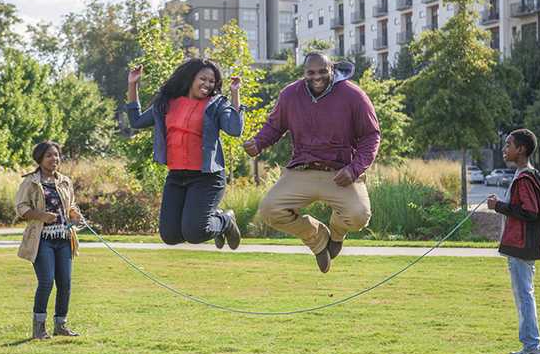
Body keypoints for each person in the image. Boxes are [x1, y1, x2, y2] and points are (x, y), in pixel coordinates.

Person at [243, 52, 380, 273]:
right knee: (269, 210)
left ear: (332, 69)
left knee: (358, 216)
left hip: (340, 173)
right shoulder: (290, 94)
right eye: (311, 72)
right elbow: (275, 127)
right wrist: (258, 143)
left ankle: (336, 232)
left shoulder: (353, 95)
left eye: (322, 71)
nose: (317, 77)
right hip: (302, 170)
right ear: (304, 73)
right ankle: (317, 238)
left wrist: (354, 169)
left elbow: (371, 136)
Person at [122, 58, 243, 249]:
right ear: (190, 78)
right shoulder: (167, 103)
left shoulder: (216, 105)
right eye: (203, 79)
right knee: (170, 236)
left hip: (207, 177)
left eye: (212, 81)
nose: (207, 84)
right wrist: (132, 84)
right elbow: (136, 121)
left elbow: (235, 129)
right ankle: (216, 221)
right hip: (177, 176)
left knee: (195, 232)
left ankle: (225, 220)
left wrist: (235, 95)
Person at [487, 129, 540, 354]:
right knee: (526, 294)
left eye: (509, 145)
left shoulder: (524, 177)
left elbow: (529, 211)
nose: (505, 149)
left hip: (521, 244)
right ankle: (532, 343)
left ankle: (532, 347)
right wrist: (502, 204)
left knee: (524, 295)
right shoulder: (528, 174)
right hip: (526, 244)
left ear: (521, 149)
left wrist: (499, 206)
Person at [15, 141, 83, 340]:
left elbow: (70, 205)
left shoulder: (64, 181)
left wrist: (74, 214)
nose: (54, 159)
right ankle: (38, 328)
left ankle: (60, 325)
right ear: (40, 159)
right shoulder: (30, 182)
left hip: (64, 239)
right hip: (42, 240)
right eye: (49, 156)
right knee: (46, 281)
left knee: (65, 284)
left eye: (56, 155)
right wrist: (41, 216)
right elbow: (21, 208)